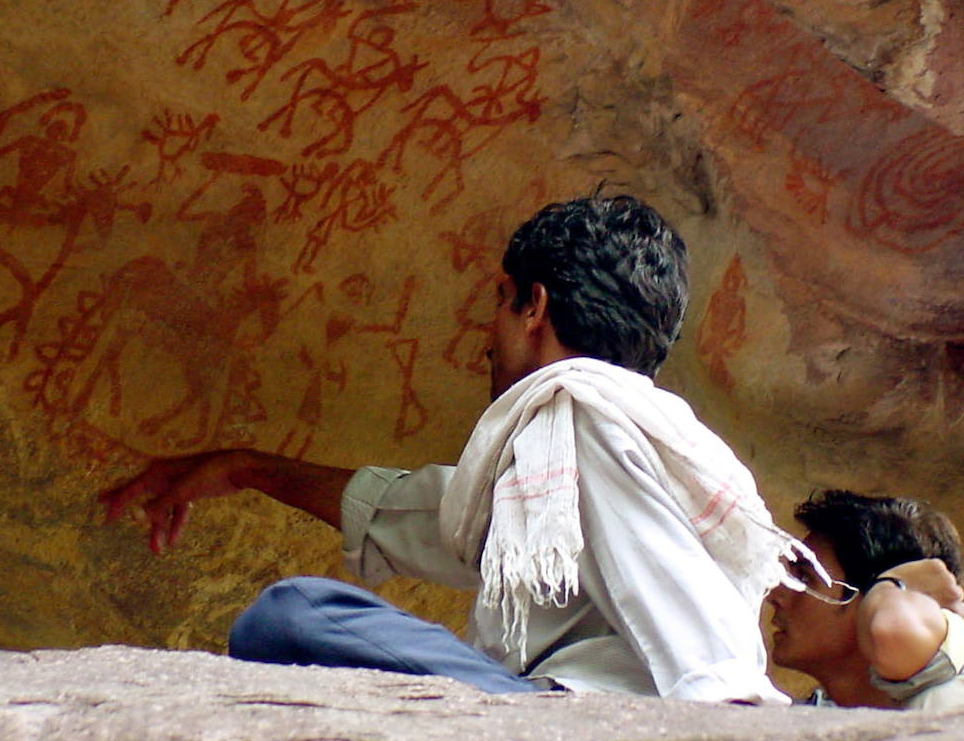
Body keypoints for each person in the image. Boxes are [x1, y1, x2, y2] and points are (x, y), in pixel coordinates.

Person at [101, 194, 803, 701]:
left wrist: (729, 730)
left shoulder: (589, 416)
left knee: (294, 613)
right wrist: (245, 468)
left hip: (582, 722)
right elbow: (426, 515)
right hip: (550, 708)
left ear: (534, 306)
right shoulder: (598, 438)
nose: (484, 336)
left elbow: (684, 611)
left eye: (499, 302)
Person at [768, 489, 964, 709]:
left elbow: (891, 629)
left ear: (871, 602)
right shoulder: (815, 716)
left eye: (804, 577)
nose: (776, 594)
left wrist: (890, 587)